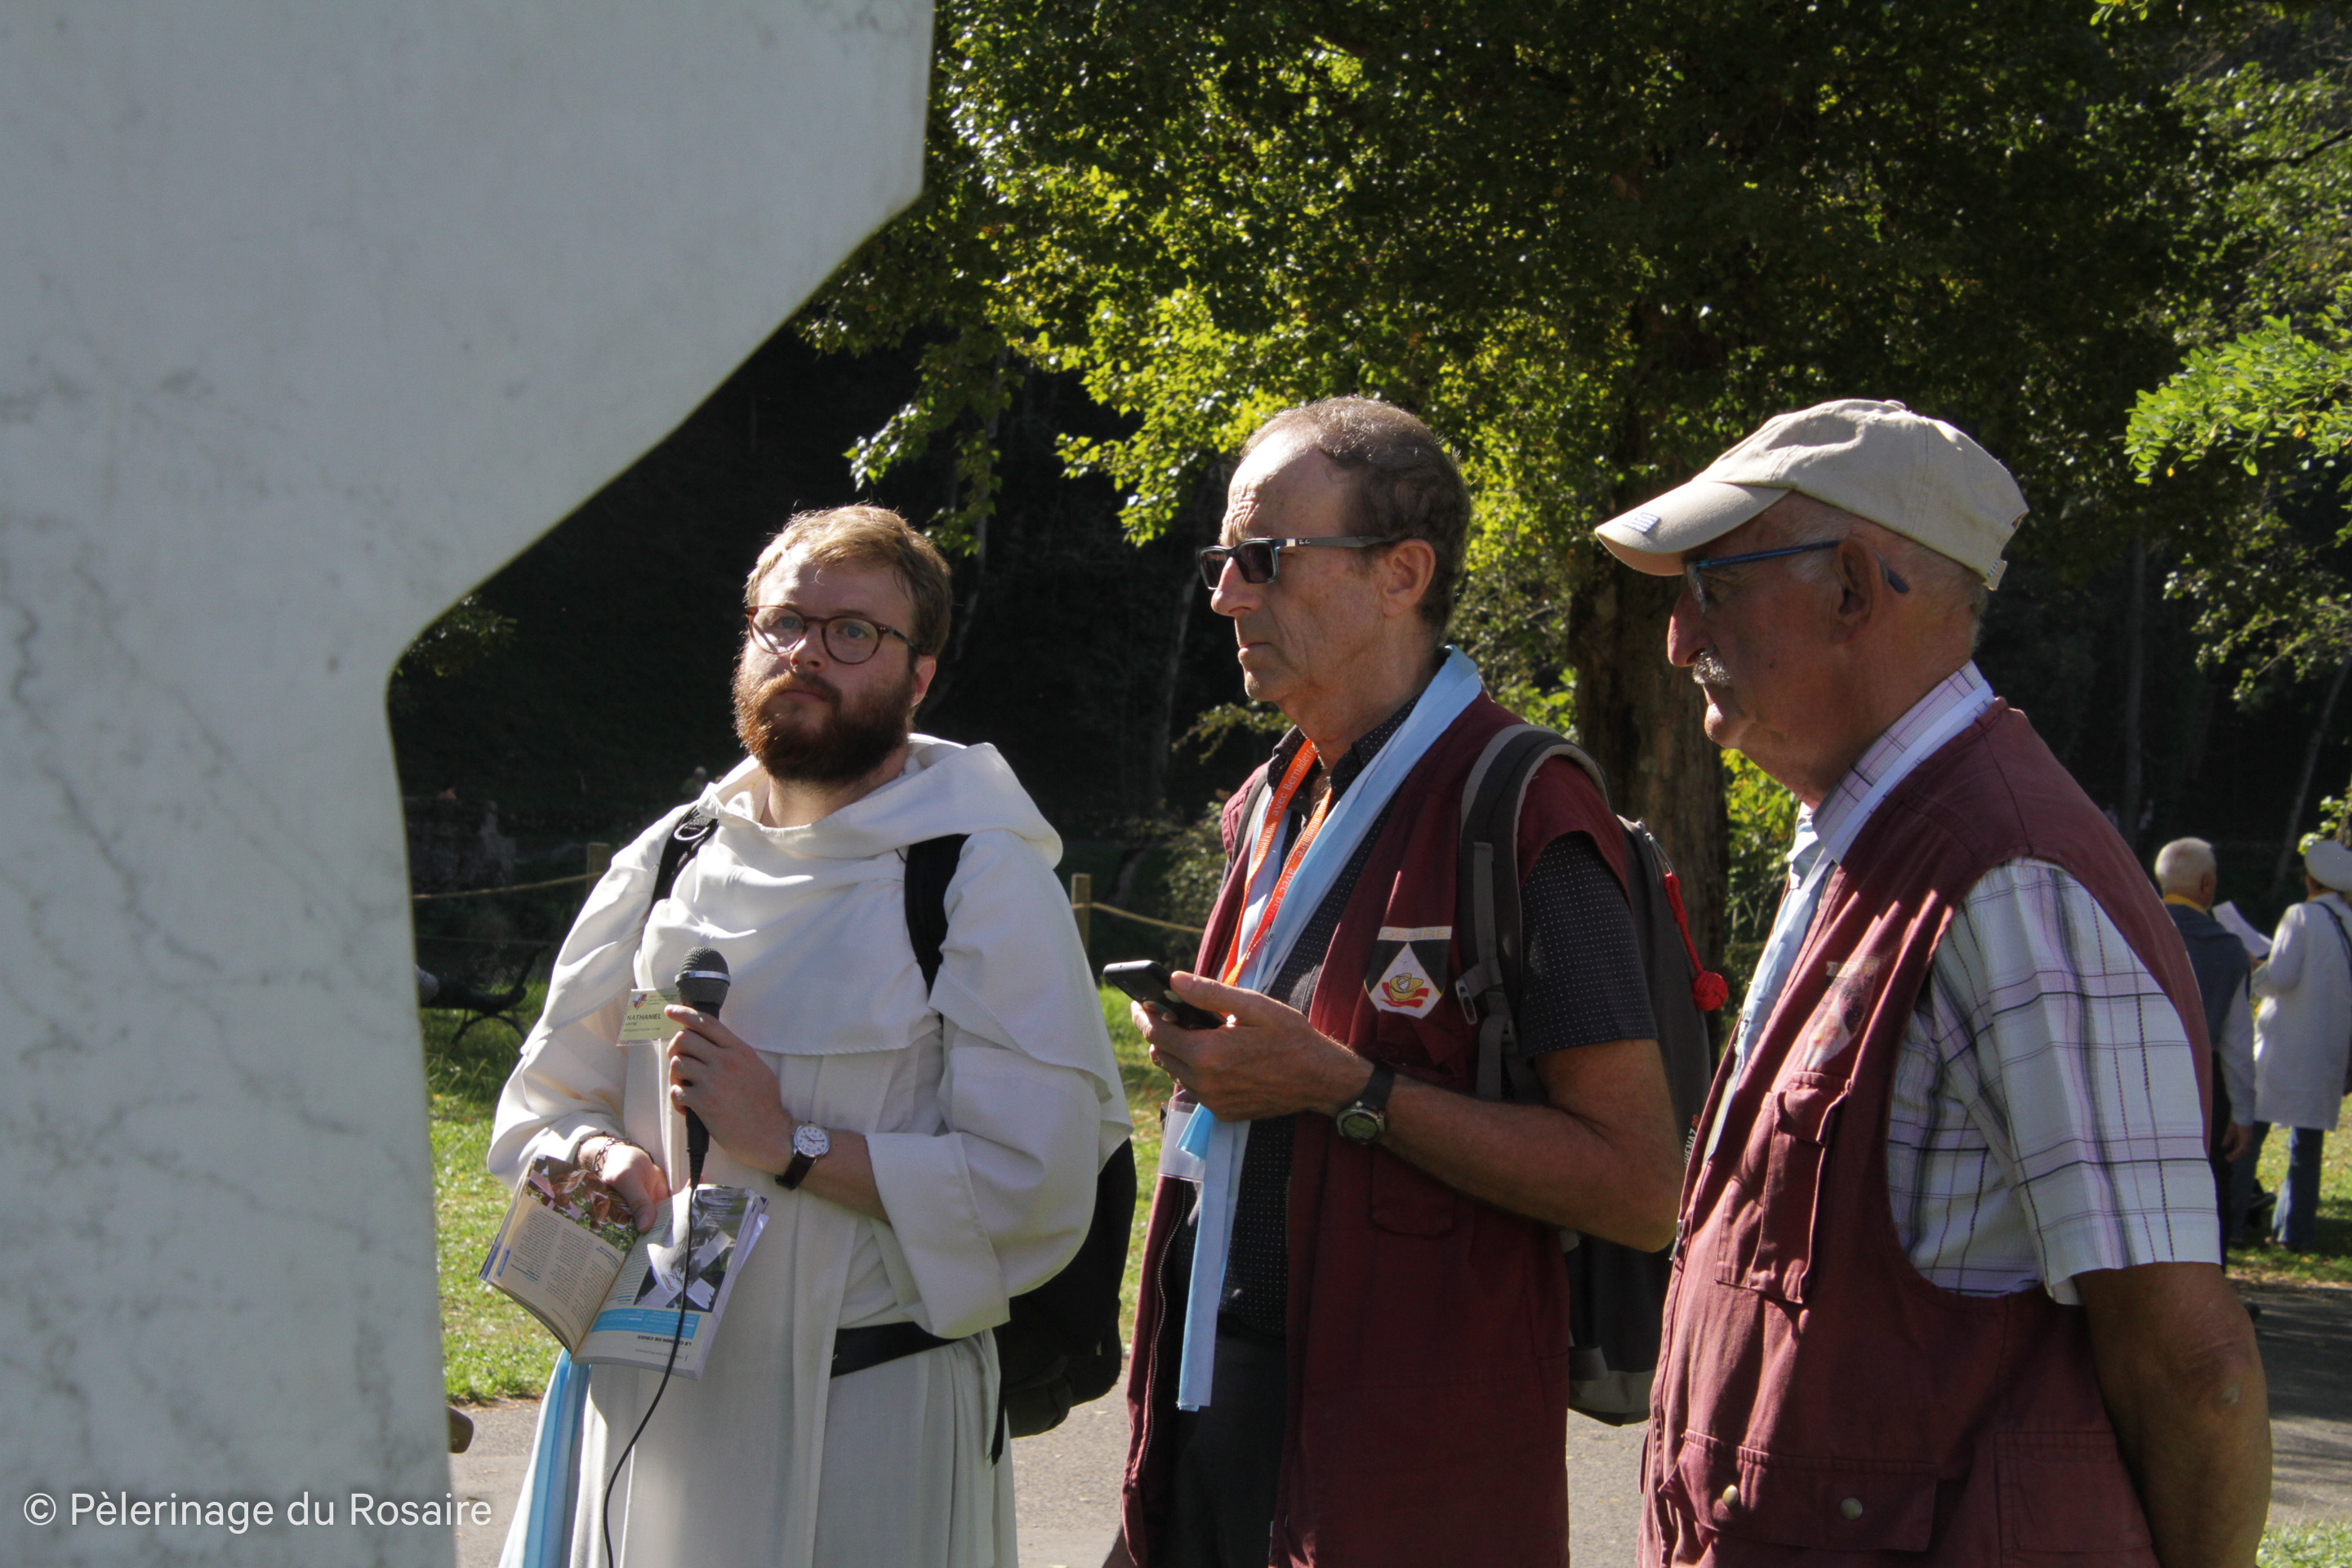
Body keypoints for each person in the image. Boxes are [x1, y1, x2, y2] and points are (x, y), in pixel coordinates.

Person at [1596, 399, 2268, 1565]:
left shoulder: (2010, 885)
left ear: (1854, 590)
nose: (1676, 636)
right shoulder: (1883, 843)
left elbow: (2192, 1367)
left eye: (1711, 584)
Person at [488, 505, 1129, 1568]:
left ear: (919, 675)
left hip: (868, 1418)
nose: (808, 654)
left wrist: (792, 1144)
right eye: (784, 623)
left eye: (853, 633)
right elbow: (548, 1101)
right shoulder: (671, 860)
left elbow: (1035, 1184)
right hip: (650, 1406)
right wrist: (595, 1154)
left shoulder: (974, 876)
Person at [1112, 397, 1685, 1568]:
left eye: (1266, 558)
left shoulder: (1523, 807)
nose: (1227, 597)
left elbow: (1642, 1187)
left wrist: (1348, 1089)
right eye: (1224, 561)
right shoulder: (1272, 801)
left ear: (1402, 574)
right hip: (1212, 1416)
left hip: (1405, 1473)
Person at [2246, 838, 2352, 1251]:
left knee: (2252, 1133)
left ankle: (2232, 1220)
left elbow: (2282, 978)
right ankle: (2295, 1232)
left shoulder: (2301, 915)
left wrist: (2256, 969)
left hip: (2286, 1044)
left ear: (2310, 879)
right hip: (2328, 1048)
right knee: (2306, 1146)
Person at [2154, 837, 2260, 1232]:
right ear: (2207, 884)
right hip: (2200, 1084)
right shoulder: (2228, 948)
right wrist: (2243, 1115)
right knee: (2205, 1194)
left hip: (2135, 1076)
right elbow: (2237, 1044)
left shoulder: (2128, 930)